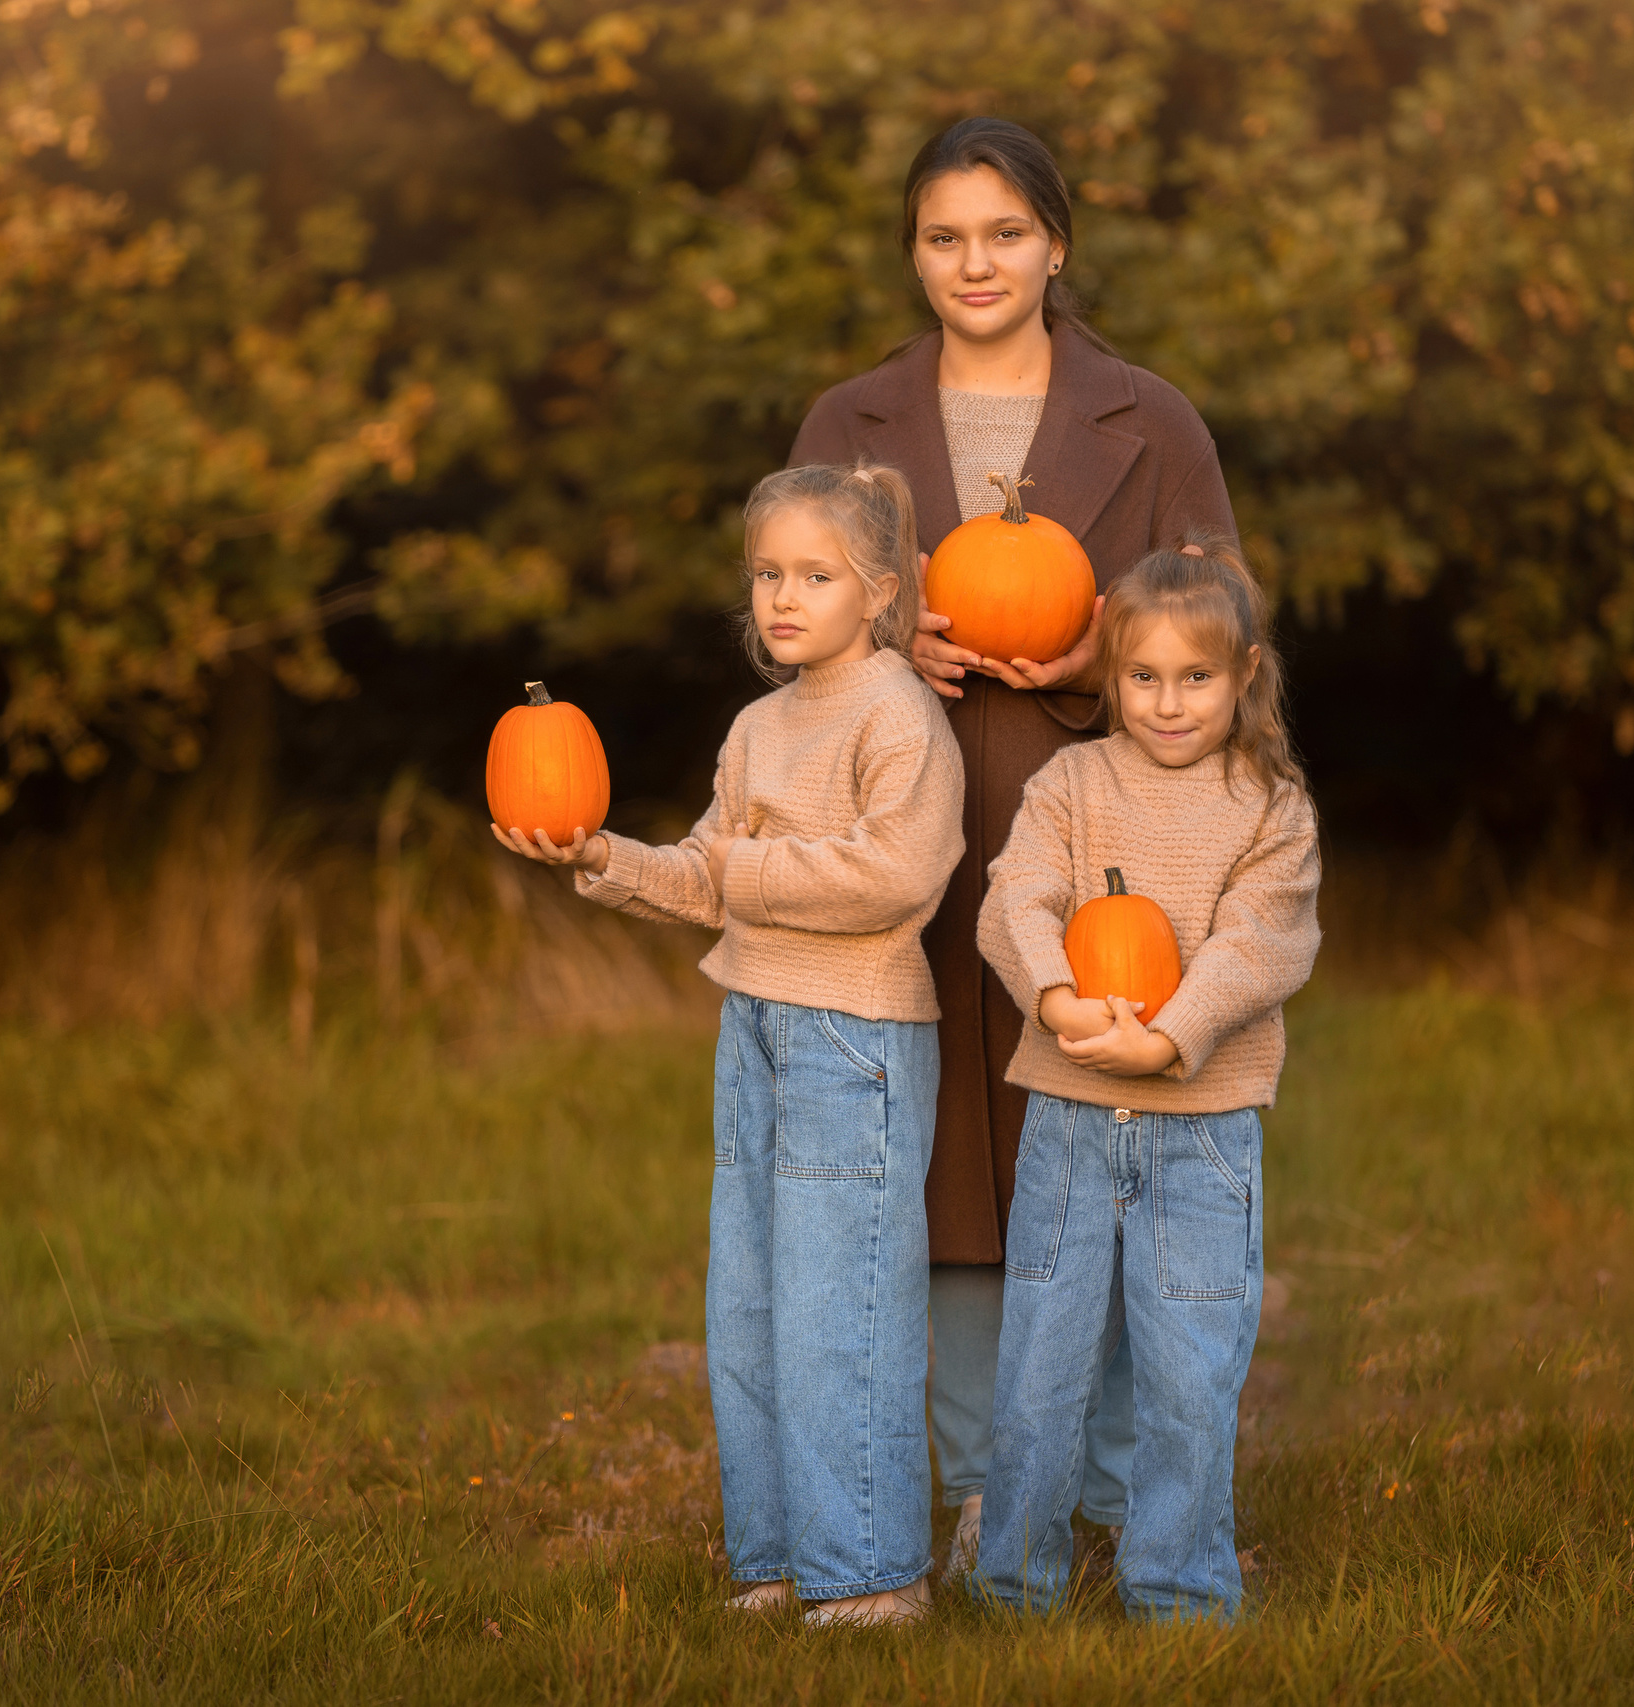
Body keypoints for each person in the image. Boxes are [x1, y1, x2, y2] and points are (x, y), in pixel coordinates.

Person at [788, 115, 1239, 1573]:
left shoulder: (1152, 421)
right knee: (949, 1161)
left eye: (1004, 233)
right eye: (943, 236)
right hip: (906, 845)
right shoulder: (848, 424)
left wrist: (1114, 650)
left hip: (1106, 846)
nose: (973, 262)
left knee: (1108, 1138)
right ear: (911, 251)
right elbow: (782, 616)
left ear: (1056, 245)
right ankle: (991, 1480)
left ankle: (1108, 1482)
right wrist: (874, 640)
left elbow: (1229, 629)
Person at [494, 463, 962, 1628]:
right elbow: (706, 877)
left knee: (838, 1308)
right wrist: (599, 855)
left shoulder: (899, 715)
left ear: (882, 591)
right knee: (751, 1307)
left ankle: (872, 1575)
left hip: (853, 1039)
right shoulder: (758, 726)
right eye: (766, 575)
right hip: (752, 1027)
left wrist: (741, 871)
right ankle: (779, 1559)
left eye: (815, 576)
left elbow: (895, 875)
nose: (783, 598)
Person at [969, 533, 1321, 1619]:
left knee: (1187, 1374)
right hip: (1071, 1117)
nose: (1168, 704)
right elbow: (1016, 896)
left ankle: (1179, 1593)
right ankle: (1013, 1588)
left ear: (1244, 674)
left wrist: (1168, 1038)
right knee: (1041, 1369)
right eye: (1143, 677)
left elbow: (1260, 943)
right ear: (1110, 673)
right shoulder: (1072, 783)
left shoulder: (1269, 803)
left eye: (1196, 677)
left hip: (1202, 1128)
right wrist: (1056, 999)